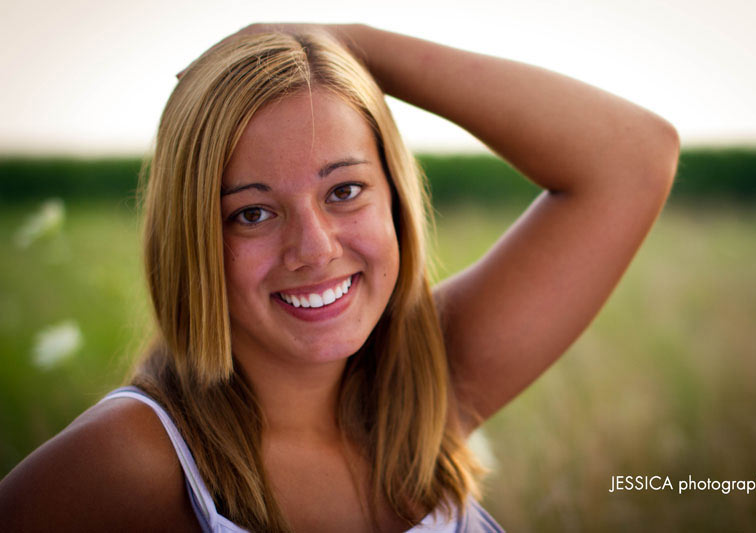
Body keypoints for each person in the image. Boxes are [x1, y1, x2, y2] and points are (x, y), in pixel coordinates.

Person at [0, 23, 679, 532]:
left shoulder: (422, 389)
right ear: (192, 240)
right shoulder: (135, 460)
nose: (314, 248)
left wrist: (344, 47)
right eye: (253, 212)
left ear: (395, 197)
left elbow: (637, 157)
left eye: (344, 191)